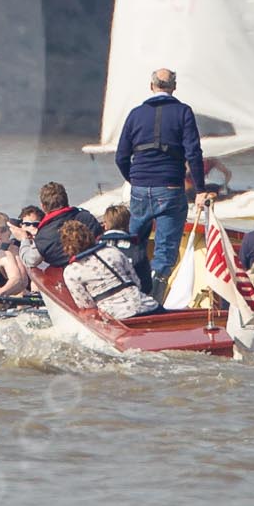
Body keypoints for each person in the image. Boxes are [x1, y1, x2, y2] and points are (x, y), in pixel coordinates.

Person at [114, 68, 203, 288]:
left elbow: (121, 156)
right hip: (171, 187)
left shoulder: (135, 114)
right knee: (164, 253)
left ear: (151, 86)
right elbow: (193, 153)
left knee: (134, 244)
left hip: (140, 188)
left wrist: (134, 179)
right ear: (174, 87)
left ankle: (129, 290)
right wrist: (200, 189)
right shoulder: (183, 112)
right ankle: (153, 299)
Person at [54, 217, 162, 321]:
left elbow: (86, 305)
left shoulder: (71, 272)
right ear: (89, 235)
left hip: (117, 315)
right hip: (147, 305)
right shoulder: (112, 251)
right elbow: (136, 282)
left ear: (66, 246)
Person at [13, 182, 99, 268]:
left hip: (69, 275)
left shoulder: (44, 235)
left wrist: (24, 239)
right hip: (97, 264)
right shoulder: (86, 217)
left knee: (34, 271)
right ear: (66, 200)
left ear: (43, 207)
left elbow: (30, 261)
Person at [97, 203, 146, 280]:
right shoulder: (137, 249)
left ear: (106, 226)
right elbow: (146, 284)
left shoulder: (95, 250)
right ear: (128, 224)